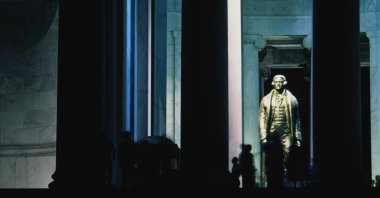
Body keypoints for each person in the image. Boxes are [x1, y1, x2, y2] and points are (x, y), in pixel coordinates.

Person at [258, 74, 302, 188]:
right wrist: (263, 137)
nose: (278, 83)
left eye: (281, 82)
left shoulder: (292, 99)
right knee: (270, 157)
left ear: (284, 83)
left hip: (286, 131)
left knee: (288, 153)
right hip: (272, 132)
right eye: (276, 81)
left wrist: (297, 137)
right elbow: (261, 118)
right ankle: (269, 180)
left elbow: (296, 119)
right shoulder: (266, 99)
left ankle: (286, 177)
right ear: (273, 83)